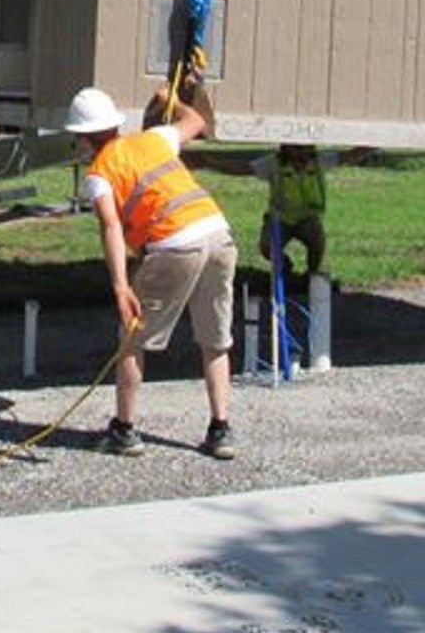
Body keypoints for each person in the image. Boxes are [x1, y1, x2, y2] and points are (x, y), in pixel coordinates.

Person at [66, 81, 238, 459]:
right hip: (219, 234)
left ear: (82, 137)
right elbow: (197, 121)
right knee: (214, 337)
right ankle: (220, 429)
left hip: (176, 244)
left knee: (133, 339)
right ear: (113, 123)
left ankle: (124, 430)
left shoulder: (99, 172)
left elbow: (110, 225)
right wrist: (169, 100)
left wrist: (120, 285)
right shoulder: (154, 139)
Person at [257, 141, 336, 282]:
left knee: (317, 240)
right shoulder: (273, 164)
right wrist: (211, 162)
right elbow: (241, 167)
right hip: (280, 219)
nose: (301, 152)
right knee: (267, 247)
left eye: (305, 148)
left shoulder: (319, 161)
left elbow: (350, 156)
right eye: (296, 148)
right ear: (286, 148)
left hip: (306, 219)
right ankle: (286, 268)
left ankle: (312, 275)